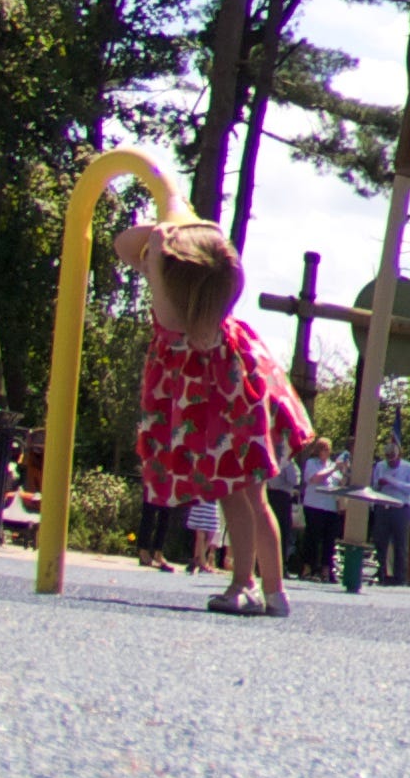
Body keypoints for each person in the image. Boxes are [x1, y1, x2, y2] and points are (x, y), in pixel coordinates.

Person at [119, 216, 310, 617]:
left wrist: (161, 233)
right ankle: (276, 593)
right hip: (241, 412)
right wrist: (195, 230)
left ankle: (245, 583)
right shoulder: (222, 321)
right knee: (256, 500)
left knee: (233, 495)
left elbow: (124, 245)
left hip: (218, 421)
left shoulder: (171, 316)